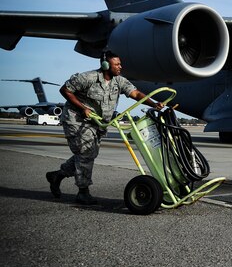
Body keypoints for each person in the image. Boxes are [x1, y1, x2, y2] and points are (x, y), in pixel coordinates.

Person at [45, 50, 163, 204]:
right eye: (117, 64)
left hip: (98, 123)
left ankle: (57, 176)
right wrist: (82, 108)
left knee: (88, 154)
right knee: (86, 153)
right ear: (106, 65)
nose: (120, 67)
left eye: (120, 64)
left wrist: (153, 104)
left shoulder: (119, 81)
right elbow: (65, 90)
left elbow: (135, 94)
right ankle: (83, 192)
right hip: (77, 119)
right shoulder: (88, 78)